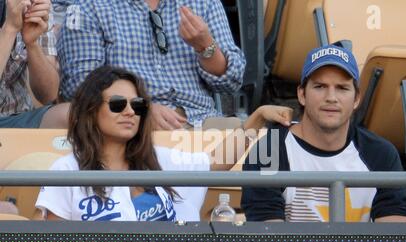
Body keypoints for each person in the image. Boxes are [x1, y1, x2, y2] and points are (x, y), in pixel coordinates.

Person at [35, 65, 292, 222]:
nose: (129, 112)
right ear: (91, 110)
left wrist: (256, 119)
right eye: (117, 104)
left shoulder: (158, 158)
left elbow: (217, 162)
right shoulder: (66, 170)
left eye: (137, 105)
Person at [241, 44, 406, 223]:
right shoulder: (269, 150)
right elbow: (269, 240)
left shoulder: (380, 153)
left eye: (342, 88)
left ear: (356, 99)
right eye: (320, 86)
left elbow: (395, 240)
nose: (331, 97)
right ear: (301, 94)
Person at [57, 0, 246, 130]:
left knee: (263, 140)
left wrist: (205, 46)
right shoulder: (88, 7)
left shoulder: (203, 3)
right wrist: (141, 108)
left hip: (202, 123)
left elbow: (233, 80)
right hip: (130, 127)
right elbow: (80, 89)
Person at [0, 0, 68, 128]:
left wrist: (32, 44)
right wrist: (10, 29)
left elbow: (49, 95)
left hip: (17, 116)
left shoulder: (34, 4)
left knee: (69, 115)